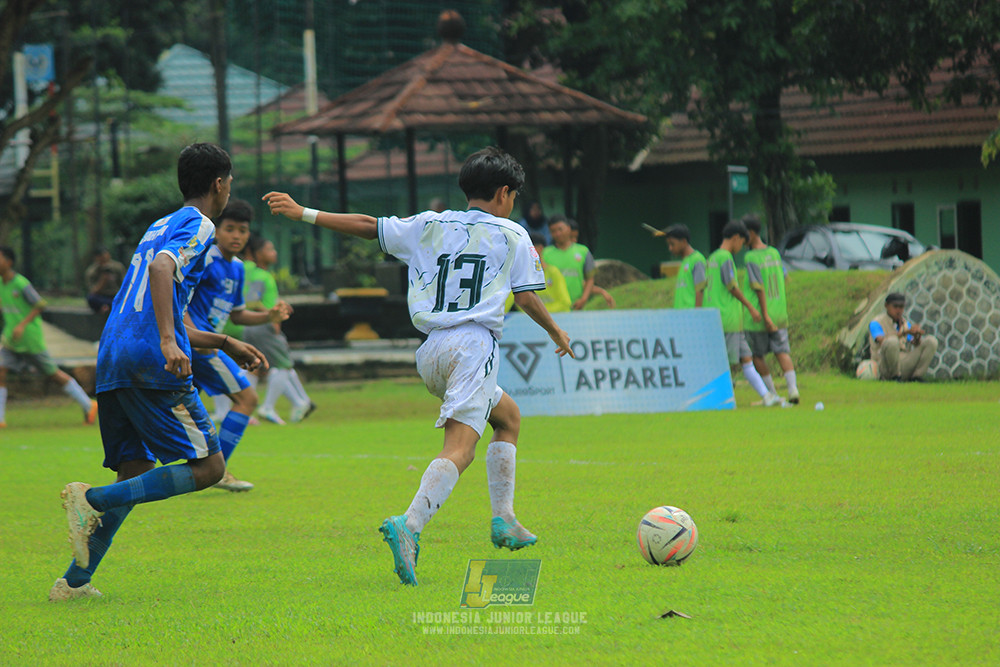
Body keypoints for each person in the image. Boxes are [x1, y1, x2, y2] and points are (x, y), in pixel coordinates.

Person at [263, 146, 573, 586]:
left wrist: (304, 213)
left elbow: (368, 227)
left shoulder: (429, 224)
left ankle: (504, 520)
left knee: (508, 418)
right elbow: (525, 297)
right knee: (460, 449)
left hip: (430, 352)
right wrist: (557, 332)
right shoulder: (513, 235)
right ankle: (409, 525)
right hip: (473, 345)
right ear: (505, 193)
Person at [49, 143, 268, 601]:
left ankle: (73, 582)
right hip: (152, 357)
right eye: (230, 182)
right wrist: (170, 341)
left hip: (113, 354)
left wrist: (223, 340)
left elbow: (156, 285)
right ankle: (91, 501)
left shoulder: (159, 223)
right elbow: (163, 268)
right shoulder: (200, 223)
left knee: (134, 469)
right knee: (209, 467)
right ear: (219, 183)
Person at [184, 199, 292, 492]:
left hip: (210, 344)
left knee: (245, 399)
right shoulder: (204, 258)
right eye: (229, 229)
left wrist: (268, 316)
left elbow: (237, 314)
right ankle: (213, 471)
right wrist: (193, 335)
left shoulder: (239, 269)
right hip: (196, 343)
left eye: (242, 230)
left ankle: (213, 470)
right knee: (247, 398)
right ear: (216, 230)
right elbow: (180, 301)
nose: (236, 236)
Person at [0, 246, 97, 428]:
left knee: (52, 373)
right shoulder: (1, 283)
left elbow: (40, 305)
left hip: (30, 339)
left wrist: (21, 325)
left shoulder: (21, 284)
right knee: (1, 371)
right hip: (10, 340)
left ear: (9, 262)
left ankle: (88, 404)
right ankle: (0, 419)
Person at [704, 220, 781, 407]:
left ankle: (767, 396)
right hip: (728, 317)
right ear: (736, 238)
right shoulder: (726, 258)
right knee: (728, 364)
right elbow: (731, 286)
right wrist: (750, 306)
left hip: (720, 316)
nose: (740, 248)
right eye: (741, 243)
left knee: (747, 359)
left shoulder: (712, 257)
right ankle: (722, 401)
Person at [242, 236, 314, 425]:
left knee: (254, 368)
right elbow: (252, 301)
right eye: (269, 249)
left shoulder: (258, 274)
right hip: (263, 326)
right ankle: (268, 407)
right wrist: (273, 315)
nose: (274, 253)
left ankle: (247, 409)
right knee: (283, 365)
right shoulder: (260, 276)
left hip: (251, 327)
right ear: (258, 254)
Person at [741, 215, 800, 404]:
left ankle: (772, 393)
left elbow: (758, 286)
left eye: (743, 235)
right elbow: (785, 277)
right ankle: (793, 390)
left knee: (757, 355)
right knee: (782, 351)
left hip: (760, 315)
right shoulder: (774, 253)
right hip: (779, 312)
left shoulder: (750, 257)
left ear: (750, 233)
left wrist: (764, 314)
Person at [869, 292, 939, 382]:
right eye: (895, 306)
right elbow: (881, 341)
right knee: (892, 341)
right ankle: (894, 377)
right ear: (886, 306)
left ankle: (916, 377)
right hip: (884, 365)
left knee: (931, 341)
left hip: (903, 362)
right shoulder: (876, 322)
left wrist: (916, 336)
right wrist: (903, 333)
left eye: (901, 307)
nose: (898, 310)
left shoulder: (905, 324)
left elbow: (914, 344)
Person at [504, 233, 572, 314]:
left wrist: (540, 314)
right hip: (529, 321)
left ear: (540, 248)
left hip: (554, 320)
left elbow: (565, 303)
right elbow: (508, 303)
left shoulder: (553, 272)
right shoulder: (520, 275)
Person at [663, 224, 706, 309]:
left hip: (691, 318)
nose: (670, 248)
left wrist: (697, 315)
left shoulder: (697, 260)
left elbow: (700, 290)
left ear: (683, 241)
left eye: (672, 244)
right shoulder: (685, 262)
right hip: (682, 317)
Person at [84, 247, 126, 314]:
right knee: (91, 299)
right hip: (101, 296)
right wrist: (103, 280)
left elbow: (124, 285)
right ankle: (106, 307)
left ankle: (107, 307)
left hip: (115, 295)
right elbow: (93, 291)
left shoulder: (118, 267)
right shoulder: (92, 271)